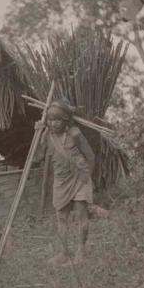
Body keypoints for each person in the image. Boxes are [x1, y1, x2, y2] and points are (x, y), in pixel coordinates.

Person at [34, 98, 95, 265]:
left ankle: (81, 251)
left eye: (58, 120)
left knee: (81, 214)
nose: (53, 124)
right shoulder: (46, 135)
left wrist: (86, 175)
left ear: (65, 120)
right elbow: (38, 157)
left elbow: (90, 156)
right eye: (51, 120)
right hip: (61, 180)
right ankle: (63, 253)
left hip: (80, 176)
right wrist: (38, 134)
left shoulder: (74, 133)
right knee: (61, 217)